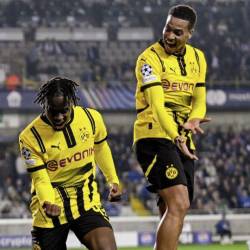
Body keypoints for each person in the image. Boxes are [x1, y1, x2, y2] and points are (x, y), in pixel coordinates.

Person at [133, 5, 210, 250]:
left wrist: (195, 119)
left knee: (171, 209)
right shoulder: (148, 59)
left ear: (190, 34)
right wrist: (176, 135)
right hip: (154, 133)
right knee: (179, 204)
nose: (169, 35)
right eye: (167, 28)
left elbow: (199, 99)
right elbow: (157, 106)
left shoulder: (198, 57)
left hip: (182, 137)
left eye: (177, 32)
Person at [18, 77, 121, 250]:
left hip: (86, 203)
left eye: (64, 111)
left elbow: (101, 148)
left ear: (72, 103)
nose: (58, 117)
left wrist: (113, 180)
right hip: (50, 210)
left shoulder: (91, 118)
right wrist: (48, 201)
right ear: (45, 106)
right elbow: (40, 178)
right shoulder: (29, 137)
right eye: (53, 111)